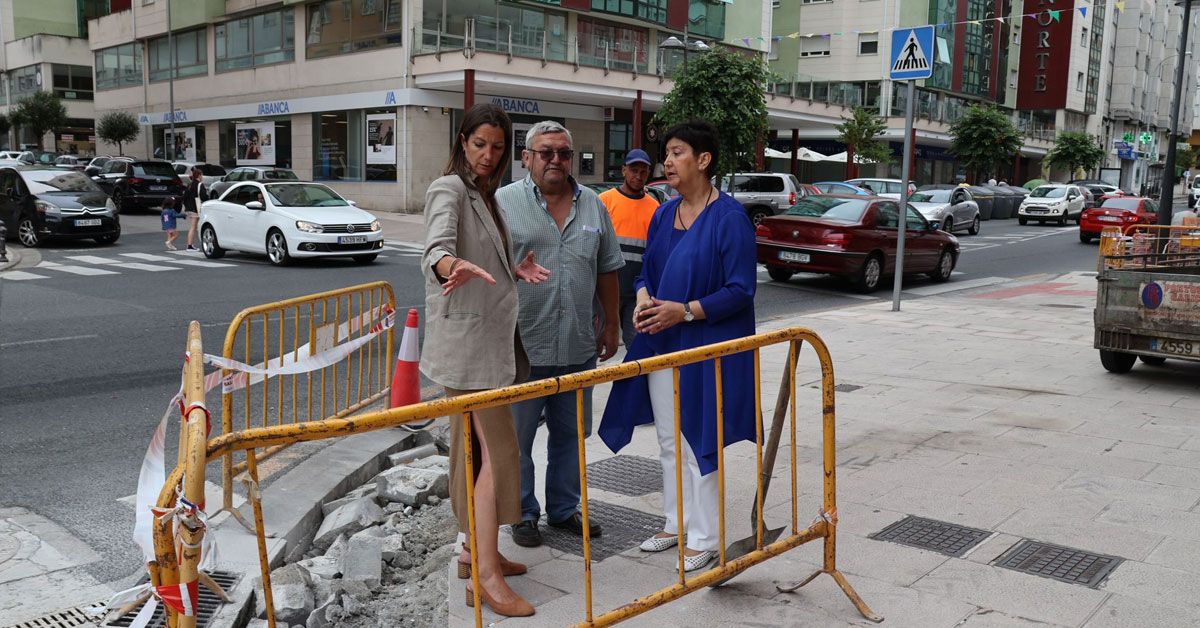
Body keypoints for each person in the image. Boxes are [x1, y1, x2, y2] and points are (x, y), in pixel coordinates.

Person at [598, 120, 758, 573]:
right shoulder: (664, 214)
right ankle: (675, 522)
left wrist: (684, 311)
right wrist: (646, 298)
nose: (666, 161)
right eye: (665, 153)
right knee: (669, 441)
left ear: (703, 160)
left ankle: (704, 536)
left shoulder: (729, 219)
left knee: (698, 440)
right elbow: (648, 270)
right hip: (661, 344)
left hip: (706, 348)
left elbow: (741, 291)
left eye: (676, 152)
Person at [422, 103, 549, 618]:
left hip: (490, 346)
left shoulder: (486, 195)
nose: (488, 155)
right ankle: (488, 579)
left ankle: (480, 553)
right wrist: (451, 265)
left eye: (497, 147)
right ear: (462, 141)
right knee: (499, 456)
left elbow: (485, 267)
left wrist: (512, 268)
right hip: (469, 353)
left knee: (480, 456)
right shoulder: (448, 188)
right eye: (480, 144)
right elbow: (435, 249)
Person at [495, 120, 624, 548]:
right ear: (526, 158)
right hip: (522, 346)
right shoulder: (503, 203)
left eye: (563, 153)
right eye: (546, 152)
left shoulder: (593, 205)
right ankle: (523, 512)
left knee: (572, 433)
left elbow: (606, 267)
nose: (556, 160)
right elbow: (485, 265)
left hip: (576, 343)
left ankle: (564, 508)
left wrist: (611, 323)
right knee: (519, 438)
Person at [598, 148, 660, 347]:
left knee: (637, 346)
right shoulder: (604, 201)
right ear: (624, 170)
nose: (638, 176)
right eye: (634, 170)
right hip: (605, 291)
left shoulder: (654, 207)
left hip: (637, 293)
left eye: (643, 171)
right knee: (597, 344)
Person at [181, 167, 207, 251]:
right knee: (193, 227)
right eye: (202, 175)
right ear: (199, 175)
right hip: (196, 207)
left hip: (189, 208)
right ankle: (189, 246)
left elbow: (184, 197)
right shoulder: (200, 184)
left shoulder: (190, 184)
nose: (202, 176)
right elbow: (204, 197)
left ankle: (190, 245)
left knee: (194, 226)